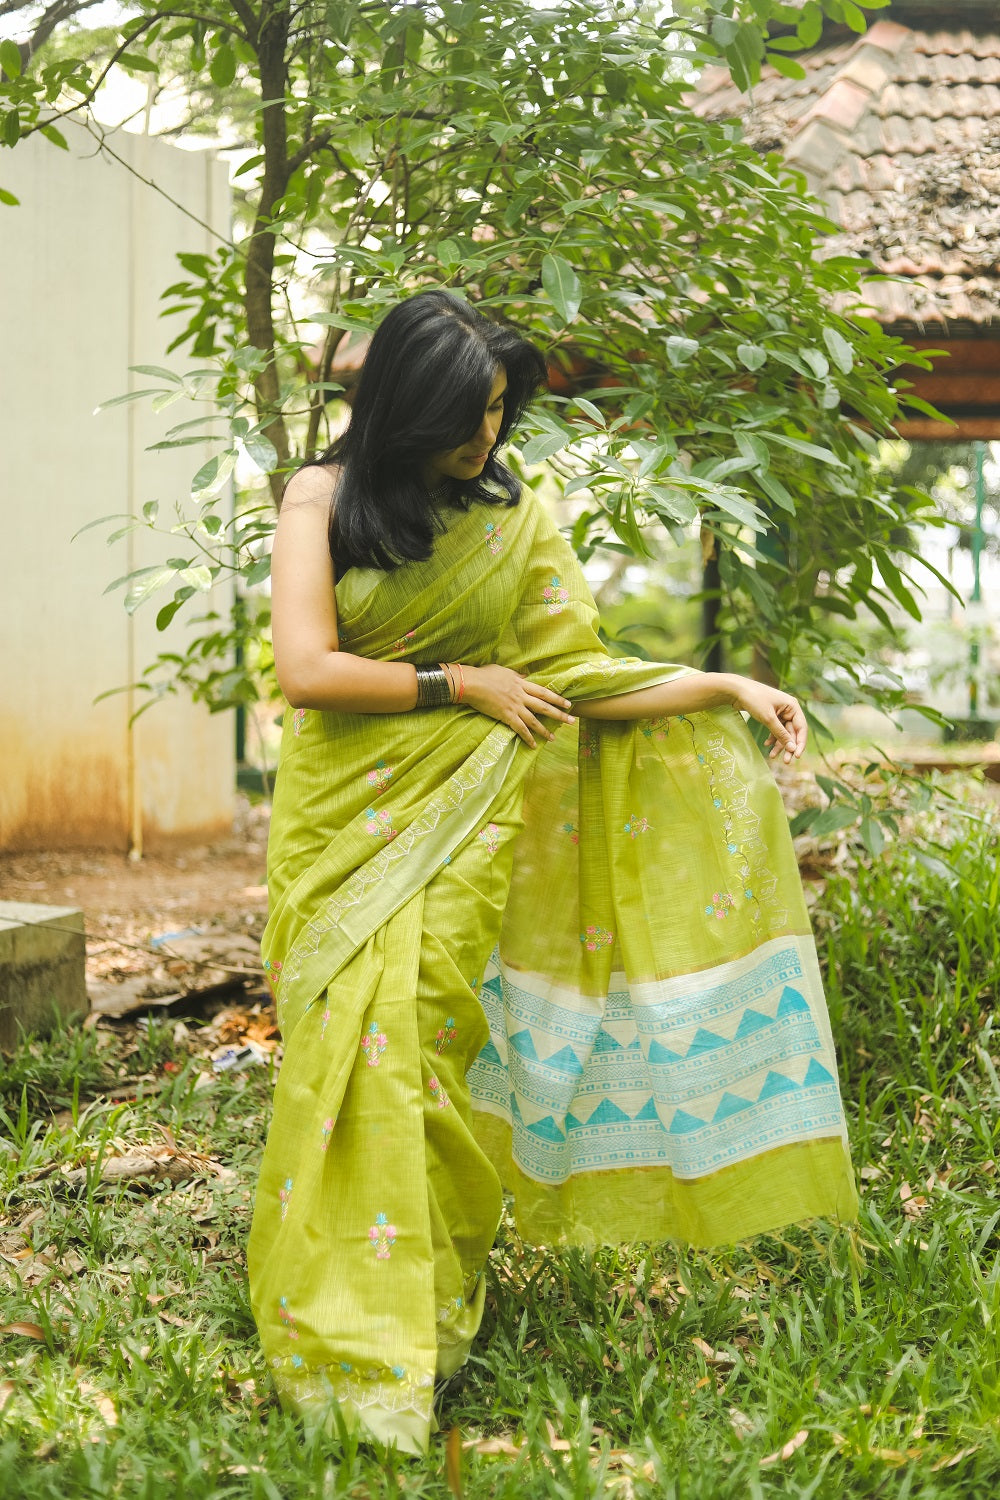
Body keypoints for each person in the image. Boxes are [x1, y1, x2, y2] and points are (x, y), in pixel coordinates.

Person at [247, 289, 857, 1453]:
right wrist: (459, 684)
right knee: (346, 1046)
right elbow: (306, 670)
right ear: (396, 407)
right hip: (343, 826)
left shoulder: (511, 515)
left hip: (468, 823)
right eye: (460, 418)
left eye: (493, 414)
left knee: (424, 1043)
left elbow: (574, 671)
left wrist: (724, 687)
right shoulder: (319, 500)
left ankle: (418, 1303)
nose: (481, 442)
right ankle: (341, 1322)